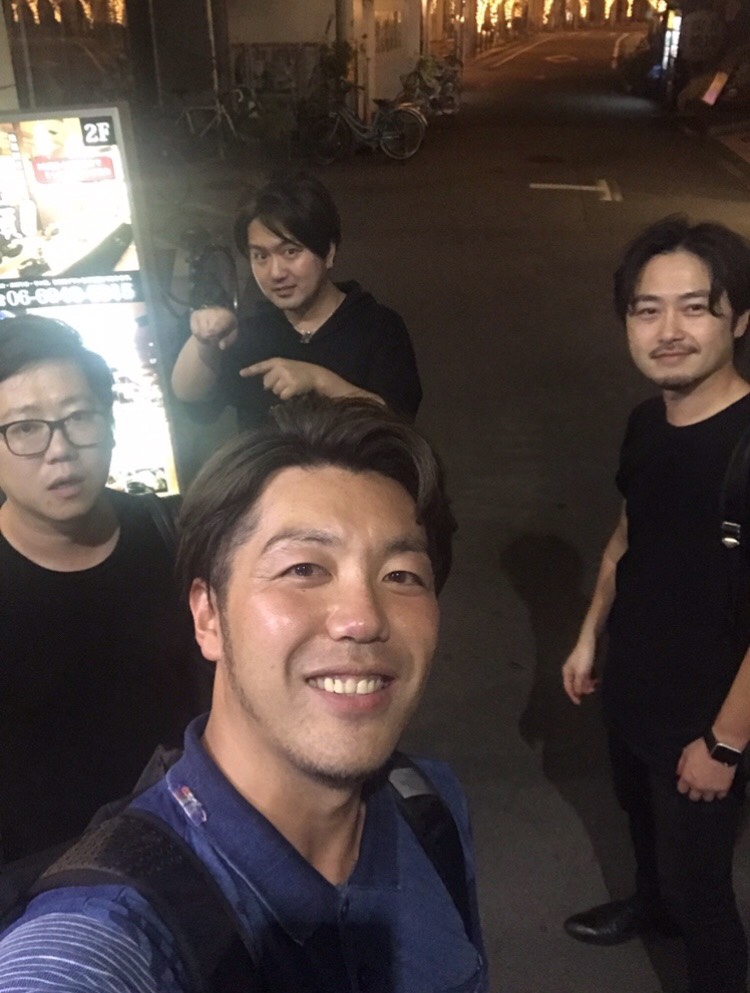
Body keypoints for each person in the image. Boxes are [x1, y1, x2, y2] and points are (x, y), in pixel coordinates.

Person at [0, 392, 487, 992]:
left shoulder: (428, 805)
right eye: (303, 569)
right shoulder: (112, 930)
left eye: (402, 576)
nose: (363, 618)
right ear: (208, 616)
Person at [561, 216, 750, 993]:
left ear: (740, 319)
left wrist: (726, 744)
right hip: (635, 685)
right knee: (641, 825)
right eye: (647, 310)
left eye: (695, 307)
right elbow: (628, 533)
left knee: (705, 890)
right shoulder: (647, 421)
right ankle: (650, 905)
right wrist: (588, 633)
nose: (668, 330)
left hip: (708, 715)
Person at [0, 315, 208, 863]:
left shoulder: (175, 535)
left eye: (79, 417)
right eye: (25, 428)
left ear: (111, 424)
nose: (60, 449)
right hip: (39, 886)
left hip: (192, 853)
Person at [170, 171, 422, 430]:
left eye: (290, 252)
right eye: (261, 256)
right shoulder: (252, 331)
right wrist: (205, 341)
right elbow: (191, 396)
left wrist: (320, 381)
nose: (276, 273)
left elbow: (399, 424)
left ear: (328, 252)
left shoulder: (378, 326)